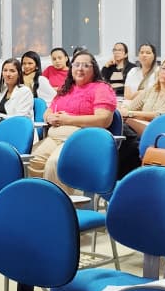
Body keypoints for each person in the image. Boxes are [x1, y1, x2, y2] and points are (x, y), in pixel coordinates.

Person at [28, 49, 115, 191]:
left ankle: (61, 202)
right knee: (32, 160)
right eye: (76, 65)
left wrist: (68, 119)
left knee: (55, 164)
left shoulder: (101, 88)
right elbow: (49, 110)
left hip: (81, 138)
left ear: (94, 69)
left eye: (85, 65)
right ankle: (40, 197)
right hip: (54, 137)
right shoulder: (66, 88)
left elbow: (103, 119)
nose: (80, 69)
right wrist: (49, 117)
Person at [117, 56, 165, 176]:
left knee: (126, 138)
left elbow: (160, 116)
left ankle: (124, 177)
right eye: (163, 68)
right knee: (122, 134)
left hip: (164, 135)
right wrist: (125, 111)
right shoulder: (152, 90)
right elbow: (131, 107)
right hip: (143, 130)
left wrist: (130, 114)